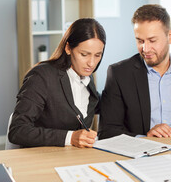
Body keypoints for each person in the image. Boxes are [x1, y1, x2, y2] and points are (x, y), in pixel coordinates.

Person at [98, 4, 171, 140]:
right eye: (140, 41)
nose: (145, 49)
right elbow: (107, 132)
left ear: (170, 37)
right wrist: (144, 138)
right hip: (140, 154)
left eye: (152, 40)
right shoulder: (119, 74)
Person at [9, 18, 106, 148]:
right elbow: (18, 131)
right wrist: (70, 138)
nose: (92, 63)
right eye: (84, 54)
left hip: (75, 159)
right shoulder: (42, 76)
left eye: (97, 55)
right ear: (68, 48)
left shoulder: (87, 79)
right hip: (43, 158)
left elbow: (98, 104)